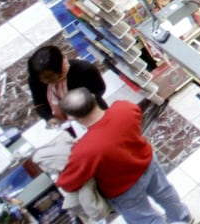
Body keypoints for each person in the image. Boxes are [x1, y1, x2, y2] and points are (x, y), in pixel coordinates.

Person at [55, 89, 191, 224]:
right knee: (165, 193)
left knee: (146, 220)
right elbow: (122, 129)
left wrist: (84, 142)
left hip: (124, 189)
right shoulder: (124, 107)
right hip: (147, 164)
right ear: (93, 97)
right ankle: (183, 218)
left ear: (71, 117)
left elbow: (67, 183)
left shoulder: (84, 151)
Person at [27, 46, 107, 123]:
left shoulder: (83, 69)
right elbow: (39, 103)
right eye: (41, 78)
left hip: (92, 112)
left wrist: (82, 105)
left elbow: (99, 89)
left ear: (59, 68)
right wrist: (49, 118)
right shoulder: (35, 80)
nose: (44, 81)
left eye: (49, 76)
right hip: (64, 121)